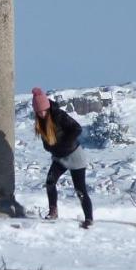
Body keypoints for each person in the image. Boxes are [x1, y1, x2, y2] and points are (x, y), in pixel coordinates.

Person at [31, 87, 93, 228]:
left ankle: (89, 219)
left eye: (43, 110)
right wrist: (50, 148)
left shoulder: (59, 115)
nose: (41, 113)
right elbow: (46, 141)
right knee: (50, 182)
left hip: (74, 155)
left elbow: (77, 128)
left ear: (47, 107)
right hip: (59, 158)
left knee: (80, 190)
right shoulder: (39, 122)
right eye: (38, 111)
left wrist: (64, 144)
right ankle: (53, 211)